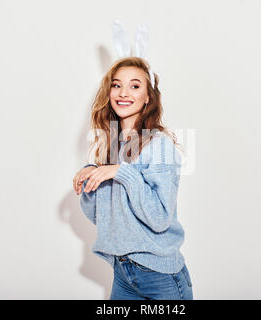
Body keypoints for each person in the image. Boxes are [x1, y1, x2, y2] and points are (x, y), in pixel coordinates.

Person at [73, 56, 193, 300]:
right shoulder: (112, 146)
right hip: (123, 274)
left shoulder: (159, 146)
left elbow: (160, 219)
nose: (123, 92)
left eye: (135, 86)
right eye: (116, 85)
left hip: (160, 278)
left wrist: (122, 172)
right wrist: (90, 179)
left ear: (148, 96)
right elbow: (101, 217)